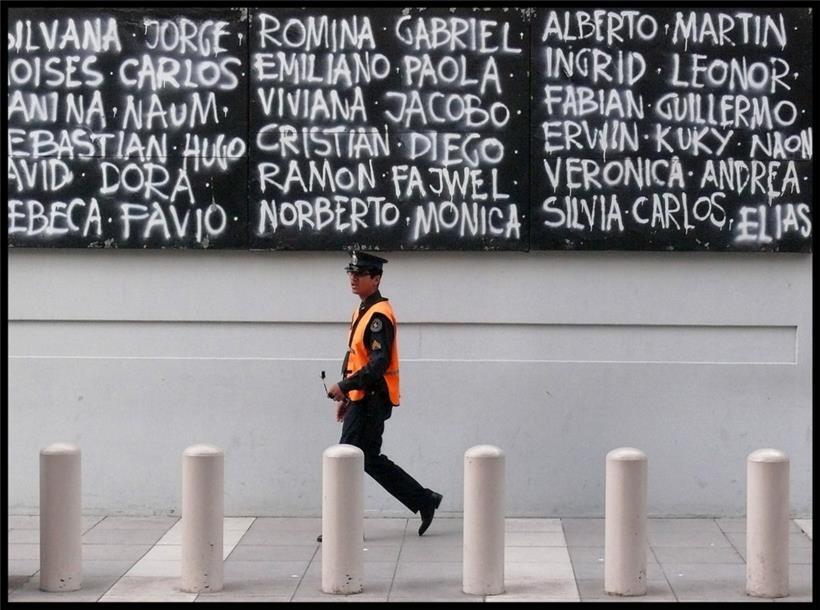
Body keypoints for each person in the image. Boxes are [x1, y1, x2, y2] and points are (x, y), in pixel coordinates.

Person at [318, 250, 442, 542]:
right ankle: (423, 499)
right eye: (351, 273)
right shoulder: (361, 310)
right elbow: (356, 357)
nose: (353, 278)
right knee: (368, 460)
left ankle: (340, 527)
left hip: (373, 399)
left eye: (359, 274)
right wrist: (347, 398)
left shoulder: (378, 316)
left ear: (376, 279)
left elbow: (378, 363)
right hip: (363, 399)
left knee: (344, 459)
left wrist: (344, 387)